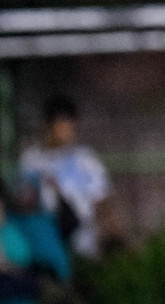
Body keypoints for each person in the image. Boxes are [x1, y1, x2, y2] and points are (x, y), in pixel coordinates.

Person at [18, 96, 110, 259]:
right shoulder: (31, 161)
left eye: (71, 127)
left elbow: (101, 199)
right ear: (49, 125)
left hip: (82, 242)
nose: (68, 132)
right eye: (63, 126)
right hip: (45, 241)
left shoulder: (86, 160)